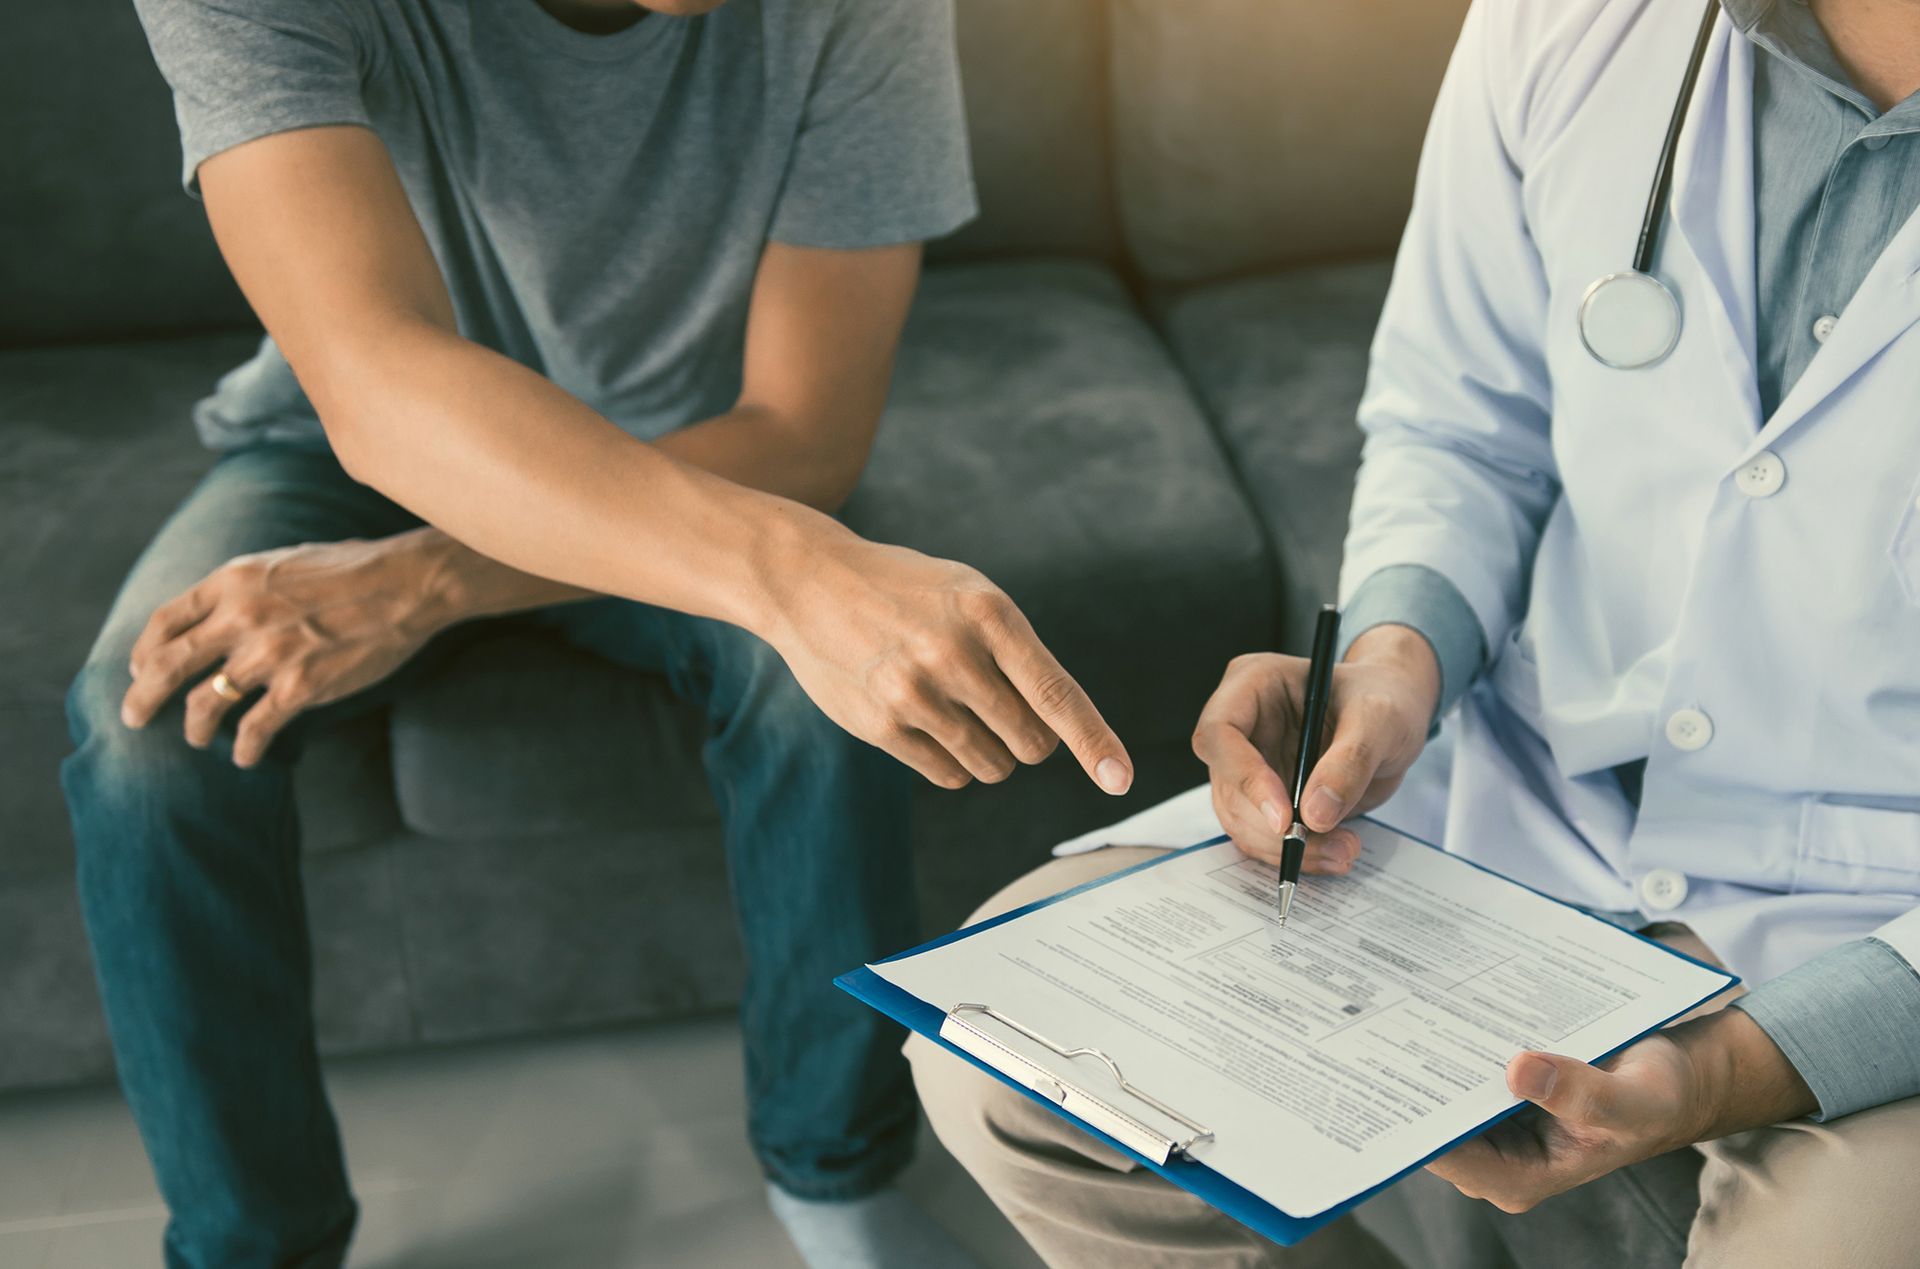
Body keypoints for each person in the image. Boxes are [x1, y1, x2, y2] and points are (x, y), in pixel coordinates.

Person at [65, 1, 1137, 1266]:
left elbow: (803, 431)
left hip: (699, 449)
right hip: (350, 446)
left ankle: (831, 1171)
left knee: (827, 684)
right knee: (141, 733)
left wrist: (422, 584)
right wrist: (786, 572)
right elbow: (372, 376)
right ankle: (256, 1249)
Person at [911, 0, 1920, 1264]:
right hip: (1530, 795)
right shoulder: (1577, 22)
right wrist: (1396, 662)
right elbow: (1460, 424)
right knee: (1010, 1056)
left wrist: (1729, 1074)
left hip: (1884, 919)